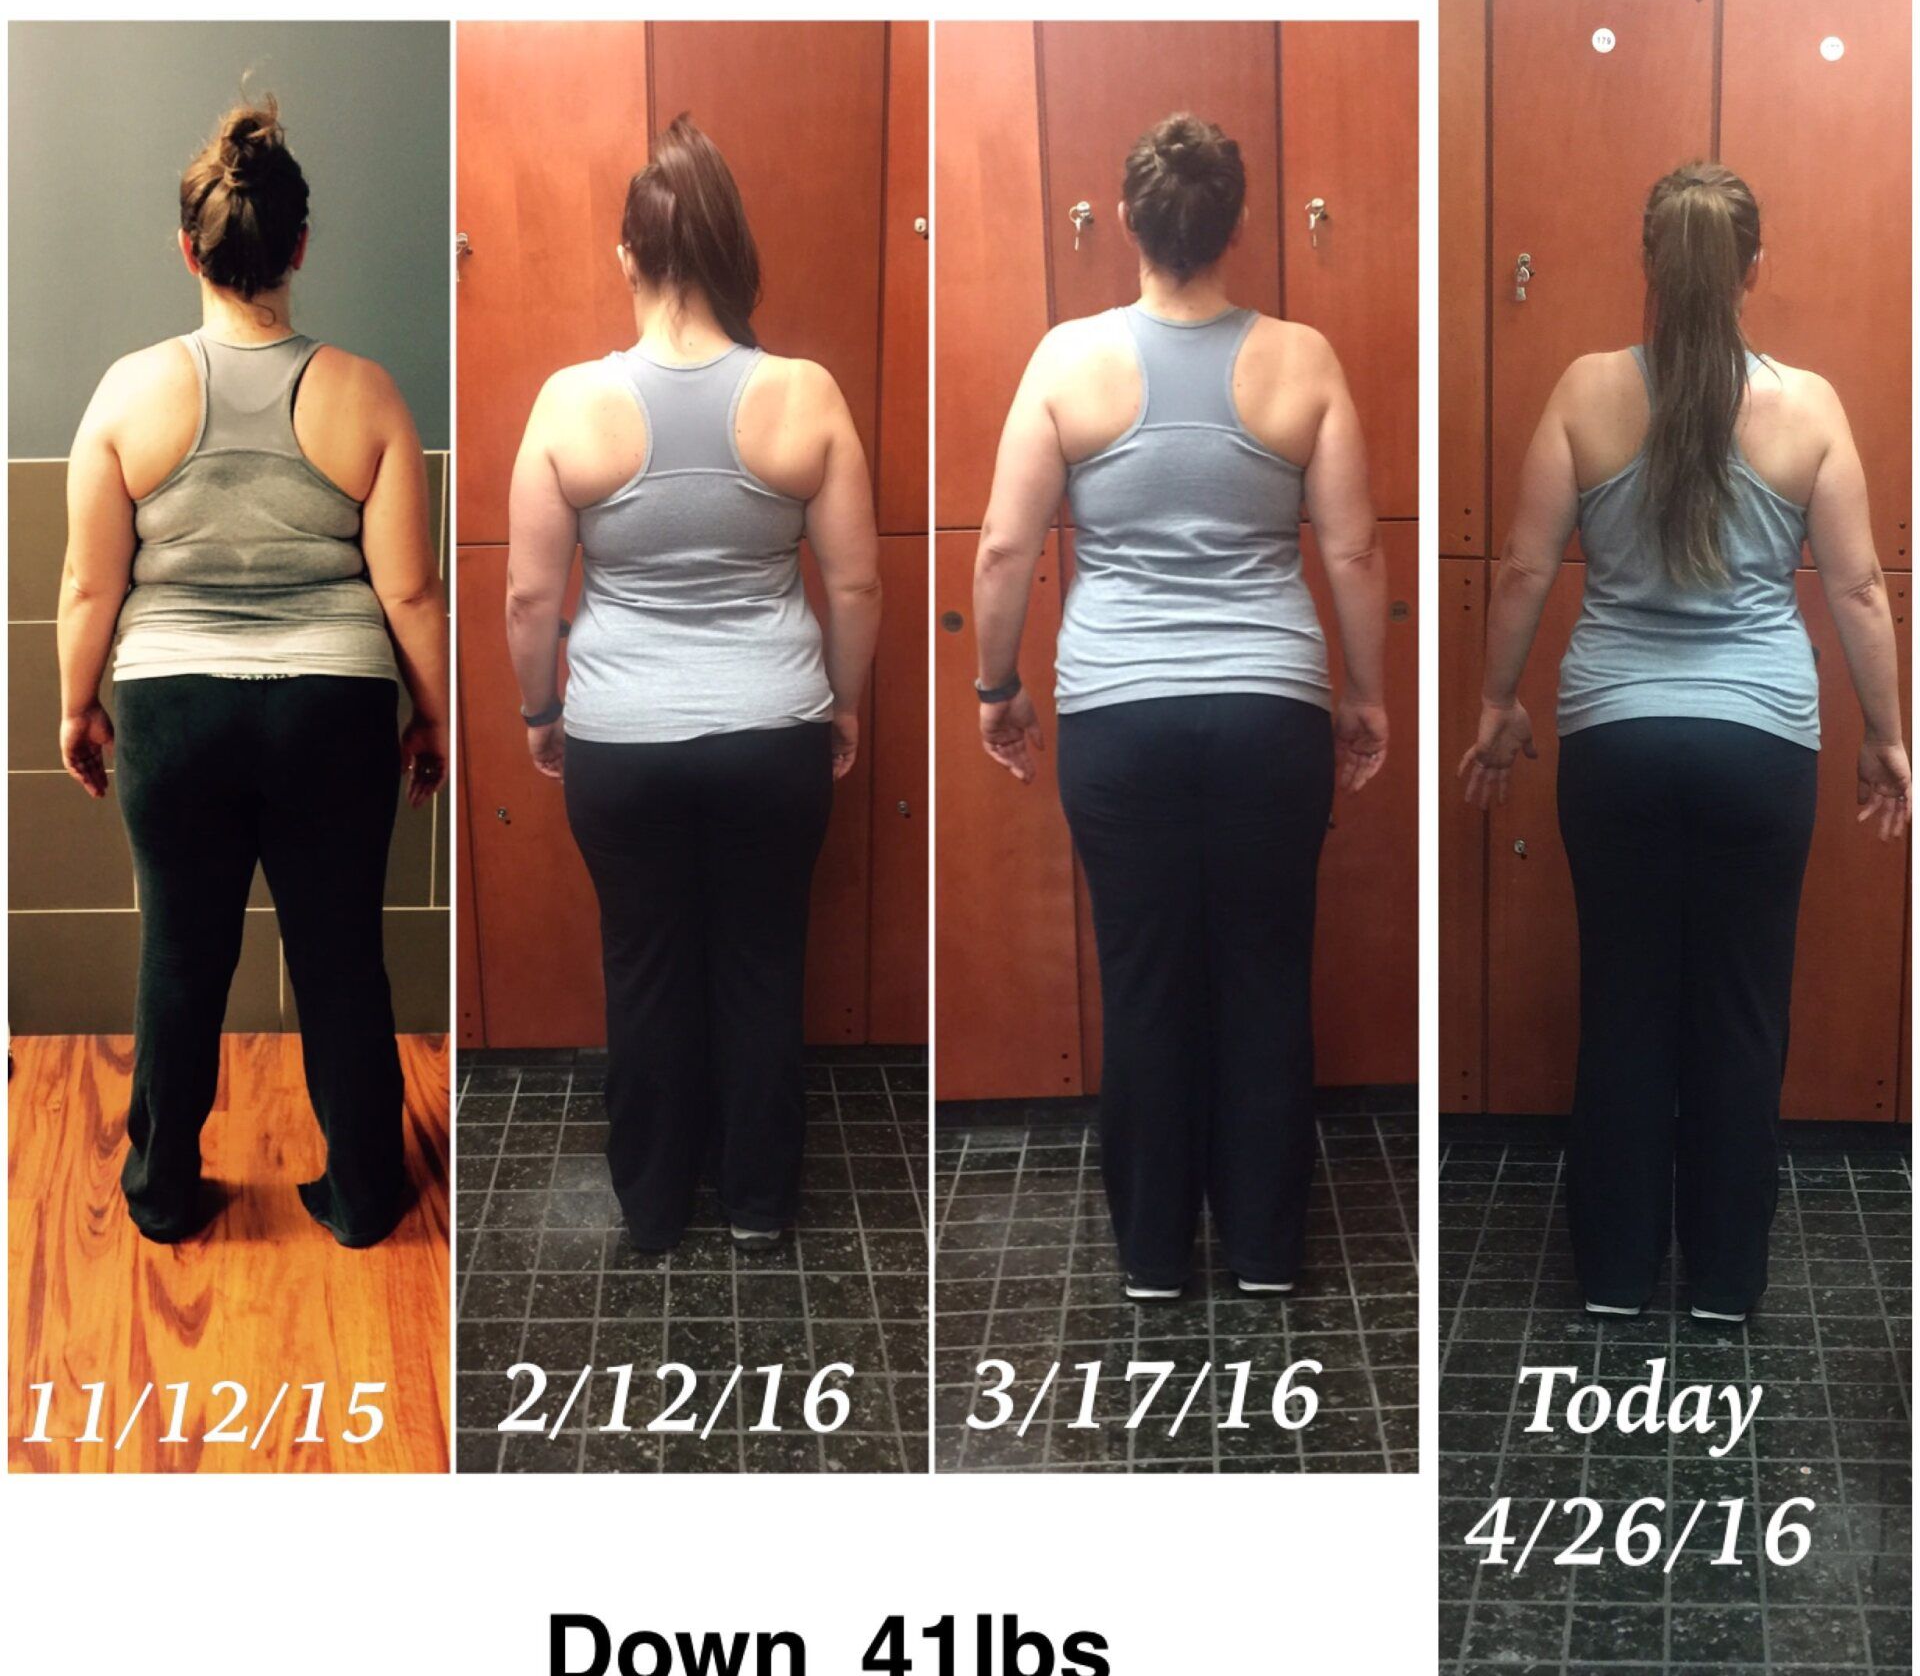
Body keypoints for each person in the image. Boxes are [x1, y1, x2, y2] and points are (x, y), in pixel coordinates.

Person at [1460, 161, 1909, 1322]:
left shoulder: (1584, 390)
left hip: (1616, 743)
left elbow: (1520, 570)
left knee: (1624, 1005)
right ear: (1752, 270)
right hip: (1760, 751)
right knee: (1741, 1012)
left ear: (1647, 264)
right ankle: (1722, 1284)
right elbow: (1859, 590)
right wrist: (1884, 737)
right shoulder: (1808, 407)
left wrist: (1496, 704)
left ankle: (1613, 1279)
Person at [972, 112, 1389, 1300]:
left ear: (1125, 223)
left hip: (1121, 718)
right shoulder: (1302, 362)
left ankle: (1155, 1257)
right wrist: (1365, 698)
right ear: (1237, 226)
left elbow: (1005, 551)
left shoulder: (1068, 361)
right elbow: (1354, 559)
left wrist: (998, 688)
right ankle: (1263, 1255)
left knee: (1145, 981)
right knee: (1265, 978)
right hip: (1271, 716)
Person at [57, 98, 449, 1247]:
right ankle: (368, 1191)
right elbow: (411, 594)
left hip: (174, 713)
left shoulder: (128, 395)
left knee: (181, 954)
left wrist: (78, 705)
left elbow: (90, 589)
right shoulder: (367, 394)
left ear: (189, 249)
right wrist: (433, 717)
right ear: (298, 247)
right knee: (339, 955)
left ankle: (164, 1192)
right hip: (334, 713)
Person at [505, 115, 881, 1254]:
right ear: (727, 249)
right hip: (774, 732)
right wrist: (845, 703)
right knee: (764, 964)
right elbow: (857, 587)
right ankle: (761, 1206)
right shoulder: (805, 394)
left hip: (621, 740)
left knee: (647, 968)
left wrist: (539, 711)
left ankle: (658, 1208)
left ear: (629, 257)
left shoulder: (570, 404)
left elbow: (529, 601)